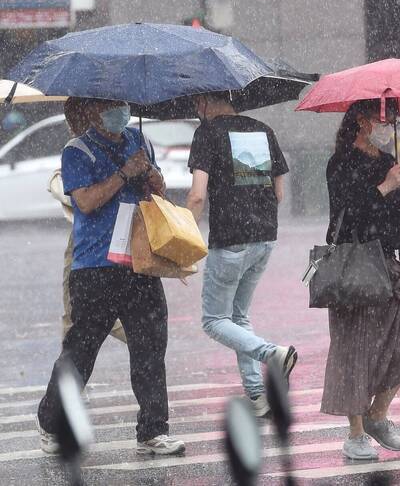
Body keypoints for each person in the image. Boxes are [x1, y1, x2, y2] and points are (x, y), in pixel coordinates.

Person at [36, 98, 185, 455]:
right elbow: (85, 202)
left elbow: (158, 189)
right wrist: (123, 174)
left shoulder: (139, 139)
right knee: (81, 349)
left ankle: (153, 430)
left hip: (139, 261)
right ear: (93, 111)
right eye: (110, 105)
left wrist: (151, 176)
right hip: (95, 267)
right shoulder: (77, 150)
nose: (118, 112)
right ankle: (52, 424)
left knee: (150, 345)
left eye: (122, 104)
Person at [321, 99, 400, 461]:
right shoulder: (340, 163)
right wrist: (384, 186)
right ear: (364, 122)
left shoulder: (386, 162)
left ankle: (377, 415)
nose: (391, 126)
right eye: (386, 119)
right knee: (353, 349)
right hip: (353, 262)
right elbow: (349, 213)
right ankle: (355, 435)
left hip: (387, 263)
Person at [185, 91, 298, 418]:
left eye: (197, 104)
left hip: (230, 239)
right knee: (238, 317)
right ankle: (257, 394)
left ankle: (272, 354)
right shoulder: (262, 129)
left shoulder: (207, 132)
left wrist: (181, 241)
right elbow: (278, 193)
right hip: (264, 239)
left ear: (204, 100)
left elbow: (196, 196)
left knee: (213, 321)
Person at [49, 99, 127, 344]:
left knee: (78, 314)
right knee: (86, 314)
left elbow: (80, 200)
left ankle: (70, 376)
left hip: (88, 242)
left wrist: (60, 183)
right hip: (118, 232)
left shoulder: (83, 150)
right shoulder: (87, 150)